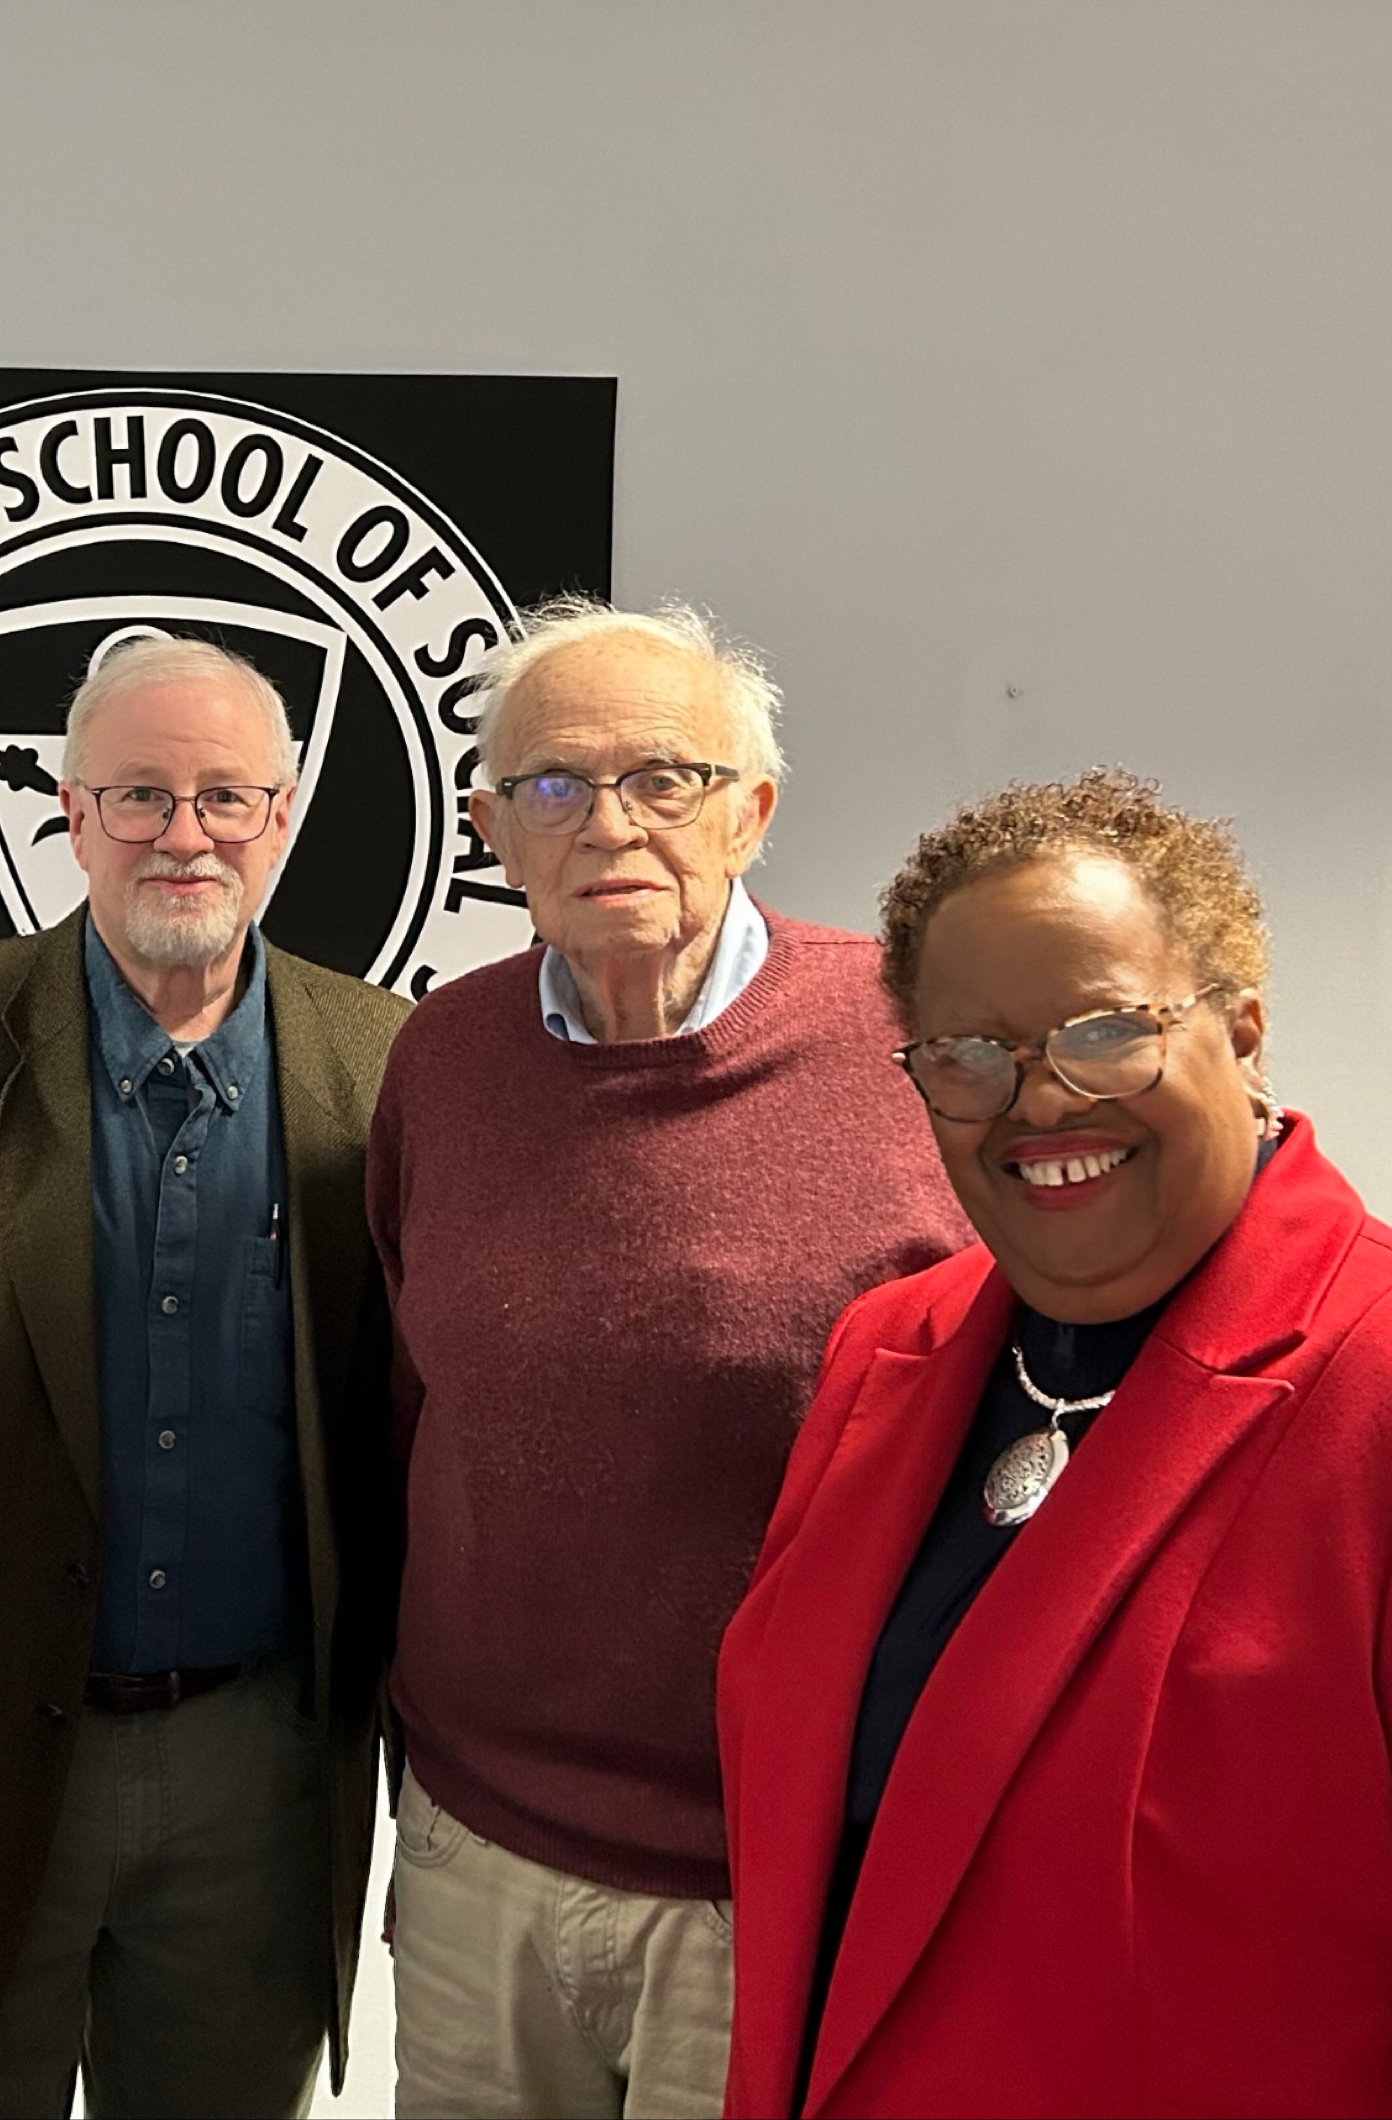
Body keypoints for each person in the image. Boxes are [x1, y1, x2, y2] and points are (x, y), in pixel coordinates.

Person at [716, 769, 1392, 2118]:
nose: (1041, 1099)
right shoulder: (885, 1354)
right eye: (970, 1055)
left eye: (1107, 1031)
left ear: (1242, 1030)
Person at [368, 599, 970, 2119]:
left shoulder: (910, 1040)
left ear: (753, 810)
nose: (610, 824)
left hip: (771, 1859)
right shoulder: (442, 1057)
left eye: (666, 778)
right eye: (555, 787)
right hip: (472, 1846)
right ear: (491, 828)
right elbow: (403, 1396)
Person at [0, 636, 407, 2119]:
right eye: (138, 796)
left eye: (222, 797)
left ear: (287, 811)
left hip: (257, 1778)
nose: (182, 835)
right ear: (68, 814)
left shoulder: (391, 1061)